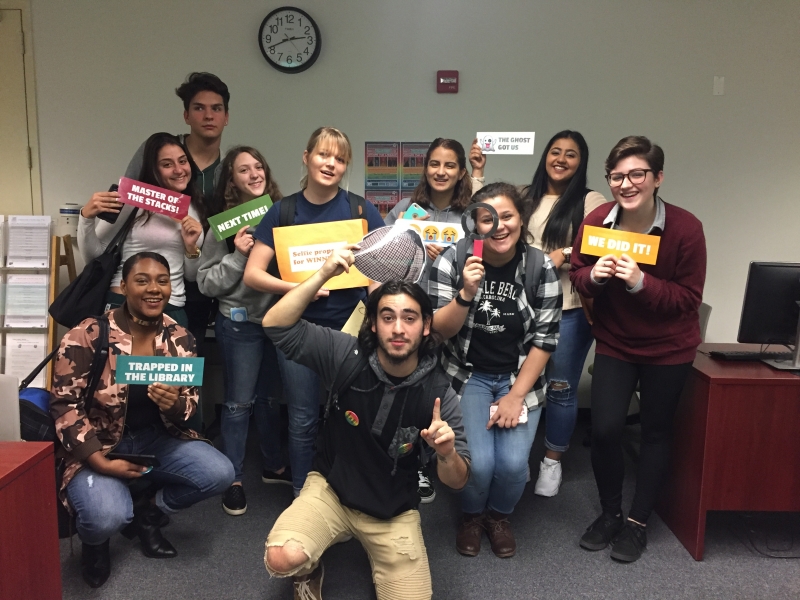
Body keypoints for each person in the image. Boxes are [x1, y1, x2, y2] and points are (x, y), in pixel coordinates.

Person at [261, 247, 470, 600]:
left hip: (392, 510)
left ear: (426, 326)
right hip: (331, 490)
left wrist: (447, 454)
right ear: (373, 323)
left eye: (410, 317)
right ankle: (311, 568)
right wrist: (324, 274)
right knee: (284, 558)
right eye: (387, 317)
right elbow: (275, 325)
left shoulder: (438, 393)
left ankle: (376, 557)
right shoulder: (346, 355)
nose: (399, 328)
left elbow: (459, 481)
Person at [50, 252, 234, 589]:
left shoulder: (181, 338)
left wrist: (176, 405)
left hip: (155, 438)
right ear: (123, 287)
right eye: (142, 280)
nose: (154, 289)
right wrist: (100, 463)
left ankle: (147, 512)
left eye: (162, 281)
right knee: (105, 517)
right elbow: (64, 406)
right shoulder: (88, 335)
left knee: (220, 473)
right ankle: (96, 543)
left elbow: (190, 406)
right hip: (99, 444)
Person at [570, 136, 706, 563]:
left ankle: (638, 522)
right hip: (615, 341)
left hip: (669, 348)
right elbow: (577, 275)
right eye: (617, 176)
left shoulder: (685, 228)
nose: (626, 184)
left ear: (657, 178)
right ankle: (610, 513)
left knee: (655, 432)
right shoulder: (597, 221)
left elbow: (687, 299)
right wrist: (595, 276)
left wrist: (640, 283)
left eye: (636, 175)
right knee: (607, 429)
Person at [243, 127, 385, 496]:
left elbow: (377, 272)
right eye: (324, 155)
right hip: (298, 330)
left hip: (351, 330)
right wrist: (301, 289)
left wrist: (379, 315)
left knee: (354, 417)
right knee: (303, 418)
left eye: (339, 159)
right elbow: (254, 274)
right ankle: (302, 499)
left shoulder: (360, 209)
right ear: (307, 158)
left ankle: (352, 494)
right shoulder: (283, 210)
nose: (331, 164)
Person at [428, 182, 562, 558]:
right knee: (479, 464)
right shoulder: (453, 261)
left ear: (522, 220)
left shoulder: (540, 267)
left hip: (520, 377)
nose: (498, 226)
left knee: (514, 465)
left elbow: (545, 340)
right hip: (467, 374)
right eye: (488, 218)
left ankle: (499, 516)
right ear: (475, 224)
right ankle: (472, 515)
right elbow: (439, 329)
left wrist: (515, 396)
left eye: (507, 216)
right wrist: (466, 293)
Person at [385, 137, 484, 504]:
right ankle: (406, 463)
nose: (441, 172)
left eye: (449, 165)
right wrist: (411, 247)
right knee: (404, 389)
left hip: (453, 318)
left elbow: (480, 263)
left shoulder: (471, 216)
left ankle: (431, 462)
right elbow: (380, 261)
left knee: (437, 396)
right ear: (425, 168)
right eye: (434, 164)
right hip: (406, 319)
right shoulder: (404, 210)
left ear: (461, 172)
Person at [197, 146, 288, 516]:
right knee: (238, 403)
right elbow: (205, 283)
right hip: (238, 326)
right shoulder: (222, 224)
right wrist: (237, 255)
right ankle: (232, 478)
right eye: (243, 170)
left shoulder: (284, 214)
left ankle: (273, 464)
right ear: (231, 180)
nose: (254, 174)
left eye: (258, 167)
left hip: (278, 322)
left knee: (270, 399)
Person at [522, 131, 608, 497]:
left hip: (568, 310)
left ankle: (552, 462)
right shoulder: (526, 196)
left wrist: (565, 255)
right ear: (545, 157)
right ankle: (517, 457)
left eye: (570, 155)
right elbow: (491, 222)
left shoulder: (591, 201)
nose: (561, 159)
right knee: (517, 385)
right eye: (555, 152)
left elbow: (600, 246)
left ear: (580, 162)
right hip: (522, 308)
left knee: (560, 388)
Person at [124, 72, 230, 361]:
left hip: (204, 280)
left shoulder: (230, 168)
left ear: (226, 117)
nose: (208, 116)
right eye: (199, 108)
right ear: (186, 115)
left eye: (216, 109)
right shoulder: (160, 152)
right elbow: (127, 202)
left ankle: (184, 407)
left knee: (185, 363)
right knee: (135, 364)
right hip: (154, 283)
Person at [78, 132, 204, 327]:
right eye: (167, 164)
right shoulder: (131, 201)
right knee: (116, 359)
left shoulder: (194, 207)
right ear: (153, 169)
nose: (179, 170)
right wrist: (85, 218)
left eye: (183, 161)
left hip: (172, 306)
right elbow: (93, 256)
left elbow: (191, 276)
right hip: (126, 304)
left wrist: (190, 248)